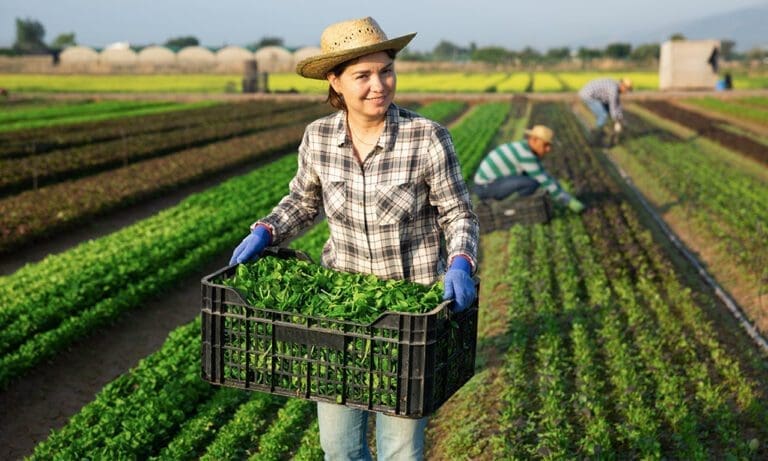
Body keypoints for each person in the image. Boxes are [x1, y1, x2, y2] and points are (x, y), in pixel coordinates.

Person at [228, 16, 479, 460]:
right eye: (362, 76)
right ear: (335, 81)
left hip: (410, 316)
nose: (378, 85)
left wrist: (460, 259)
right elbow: (302, 203)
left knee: (399, 447)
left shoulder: (427, 137)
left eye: (386, 71)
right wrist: (266, 229)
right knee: (338, 448)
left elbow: (458, 212)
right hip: (339, 315)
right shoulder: (319, 137)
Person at [472, 124, 586, 213]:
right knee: (532, 183)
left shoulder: (524, 148)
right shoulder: (525, 155)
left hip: (488, 183)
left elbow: (544, 174)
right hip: (485, 187)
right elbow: (544, 180)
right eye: (545, 145)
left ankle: (510, 204)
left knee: (530, 178)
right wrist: (568, 201)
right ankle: (508, 208)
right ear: (534, 140)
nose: (548, 149)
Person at [578, 77, 633, 145]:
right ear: (623, 86)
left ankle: (601, 131)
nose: (626, 92)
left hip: (594, 95)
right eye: (627, 90)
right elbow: (613, 106)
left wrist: (620, 117)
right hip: (588, 95)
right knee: (603, 115)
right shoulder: (613, 90)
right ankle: (594, 138)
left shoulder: (615, 86)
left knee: (607, 111)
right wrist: (617, 120)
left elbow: (616, 104)